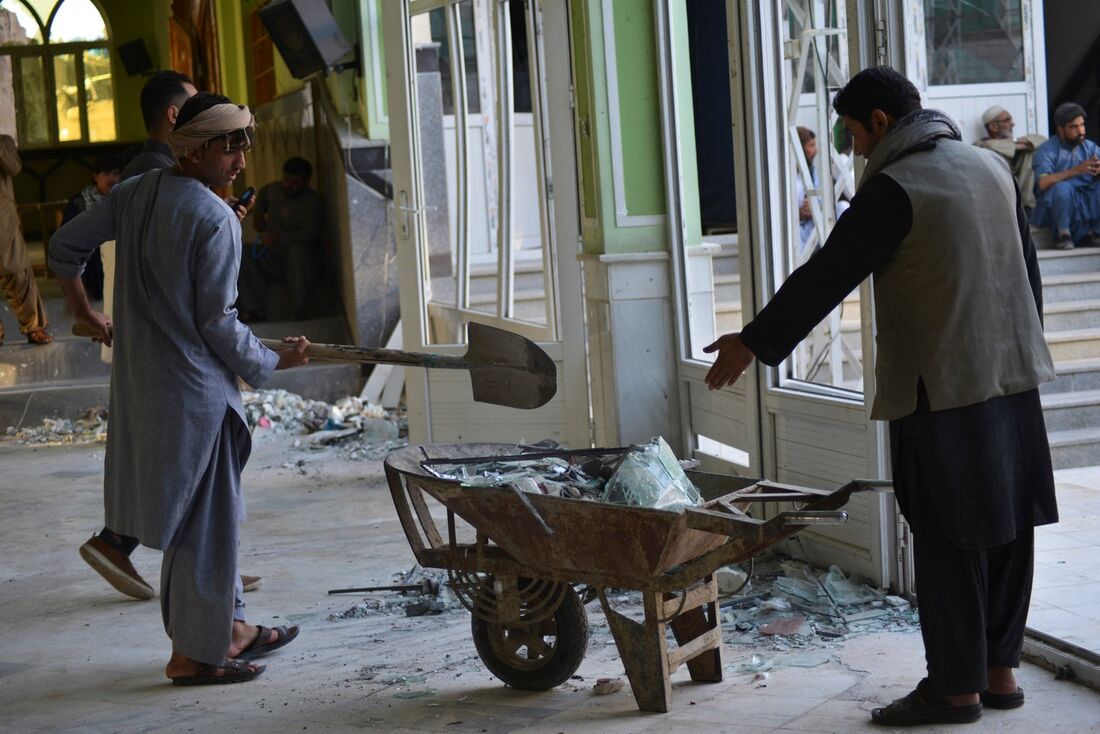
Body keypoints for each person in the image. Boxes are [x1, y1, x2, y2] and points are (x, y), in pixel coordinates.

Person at [704, 67, 1057, 726]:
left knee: (947, 538)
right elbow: (1027, 276)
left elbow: (827, 275)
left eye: (853, 134)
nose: (853, 149)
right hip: (1013, 380)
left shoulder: (896, 187)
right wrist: (1022, 358)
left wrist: (751, 342)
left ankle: (955, 691)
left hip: (942, 391)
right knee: (1009, 525)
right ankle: (998, 672)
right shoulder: (989, 170)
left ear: (880, 123)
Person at [50, 92, 309, 685]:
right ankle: (194, 654)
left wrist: (84, 312)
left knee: (211, 515)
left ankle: (232, 628)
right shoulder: (215, 218)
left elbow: (66, 247)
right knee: (208, 522)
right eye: (229, 145)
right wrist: (275, 358)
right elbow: (218, 323)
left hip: (143, 384)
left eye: (245, 142)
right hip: (196, 393)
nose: (241, 159)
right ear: (192, 150)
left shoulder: (135, 192)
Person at [236, 156, 325, 322]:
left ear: (305, 183)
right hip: (272, 255)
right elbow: (261, 196)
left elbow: (309, 234)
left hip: (301, 261)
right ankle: (253, 311)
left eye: (295, 182)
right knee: (241, 253)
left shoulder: (313, 203)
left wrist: (279, 238)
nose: (288, 185)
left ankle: (300, 311)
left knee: (297, 252)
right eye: (286, 179)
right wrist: (258, 215)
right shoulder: (274, 190)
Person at [0, 133, 51, 345]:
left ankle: (33, 326)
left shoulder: (4, 141)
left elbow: (14, 167)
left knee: (17, 269)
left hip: (2, 215)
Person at [1031, 102, 1100, 250]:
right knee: (1062, 189)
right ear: (1060, 130)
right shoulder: (1046, 150)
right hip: (1056, 206)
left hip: (1084, 202)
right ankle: (1063, 235)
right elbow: (1043, 183)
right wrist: (1076, 170)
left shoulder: (1090, 147)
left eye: (1082, 125)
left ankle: (1093, 233)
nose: (1080, 131)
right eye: (1074, 127)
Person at [61, 152, 122, 300]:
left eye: (116, 173)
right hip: (92, 274)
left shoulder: (123, 199)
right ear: (95, 176)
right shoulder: (80, 203)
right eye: (107, 173)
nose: (112, 179)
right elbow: (67, 244)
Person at [121, 71, 197, 180]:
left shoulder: (164, 164)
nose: (202, 115)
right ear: (174, 115)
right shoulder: (161, 173)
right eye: (196, 107)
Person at [974, 105, 1046, 210]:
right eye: (1007, 120)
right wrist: (1023, 144)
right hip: (998, 200)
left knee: (1031, 154)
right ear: (993, 126)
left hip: (1020, 197)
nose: (1012, 124)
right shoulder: (981, 145)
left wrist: (1017, 142)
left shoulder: (1015, 142)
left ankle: (1027, 204)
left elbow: (1042, 140)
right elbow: (991, 145)